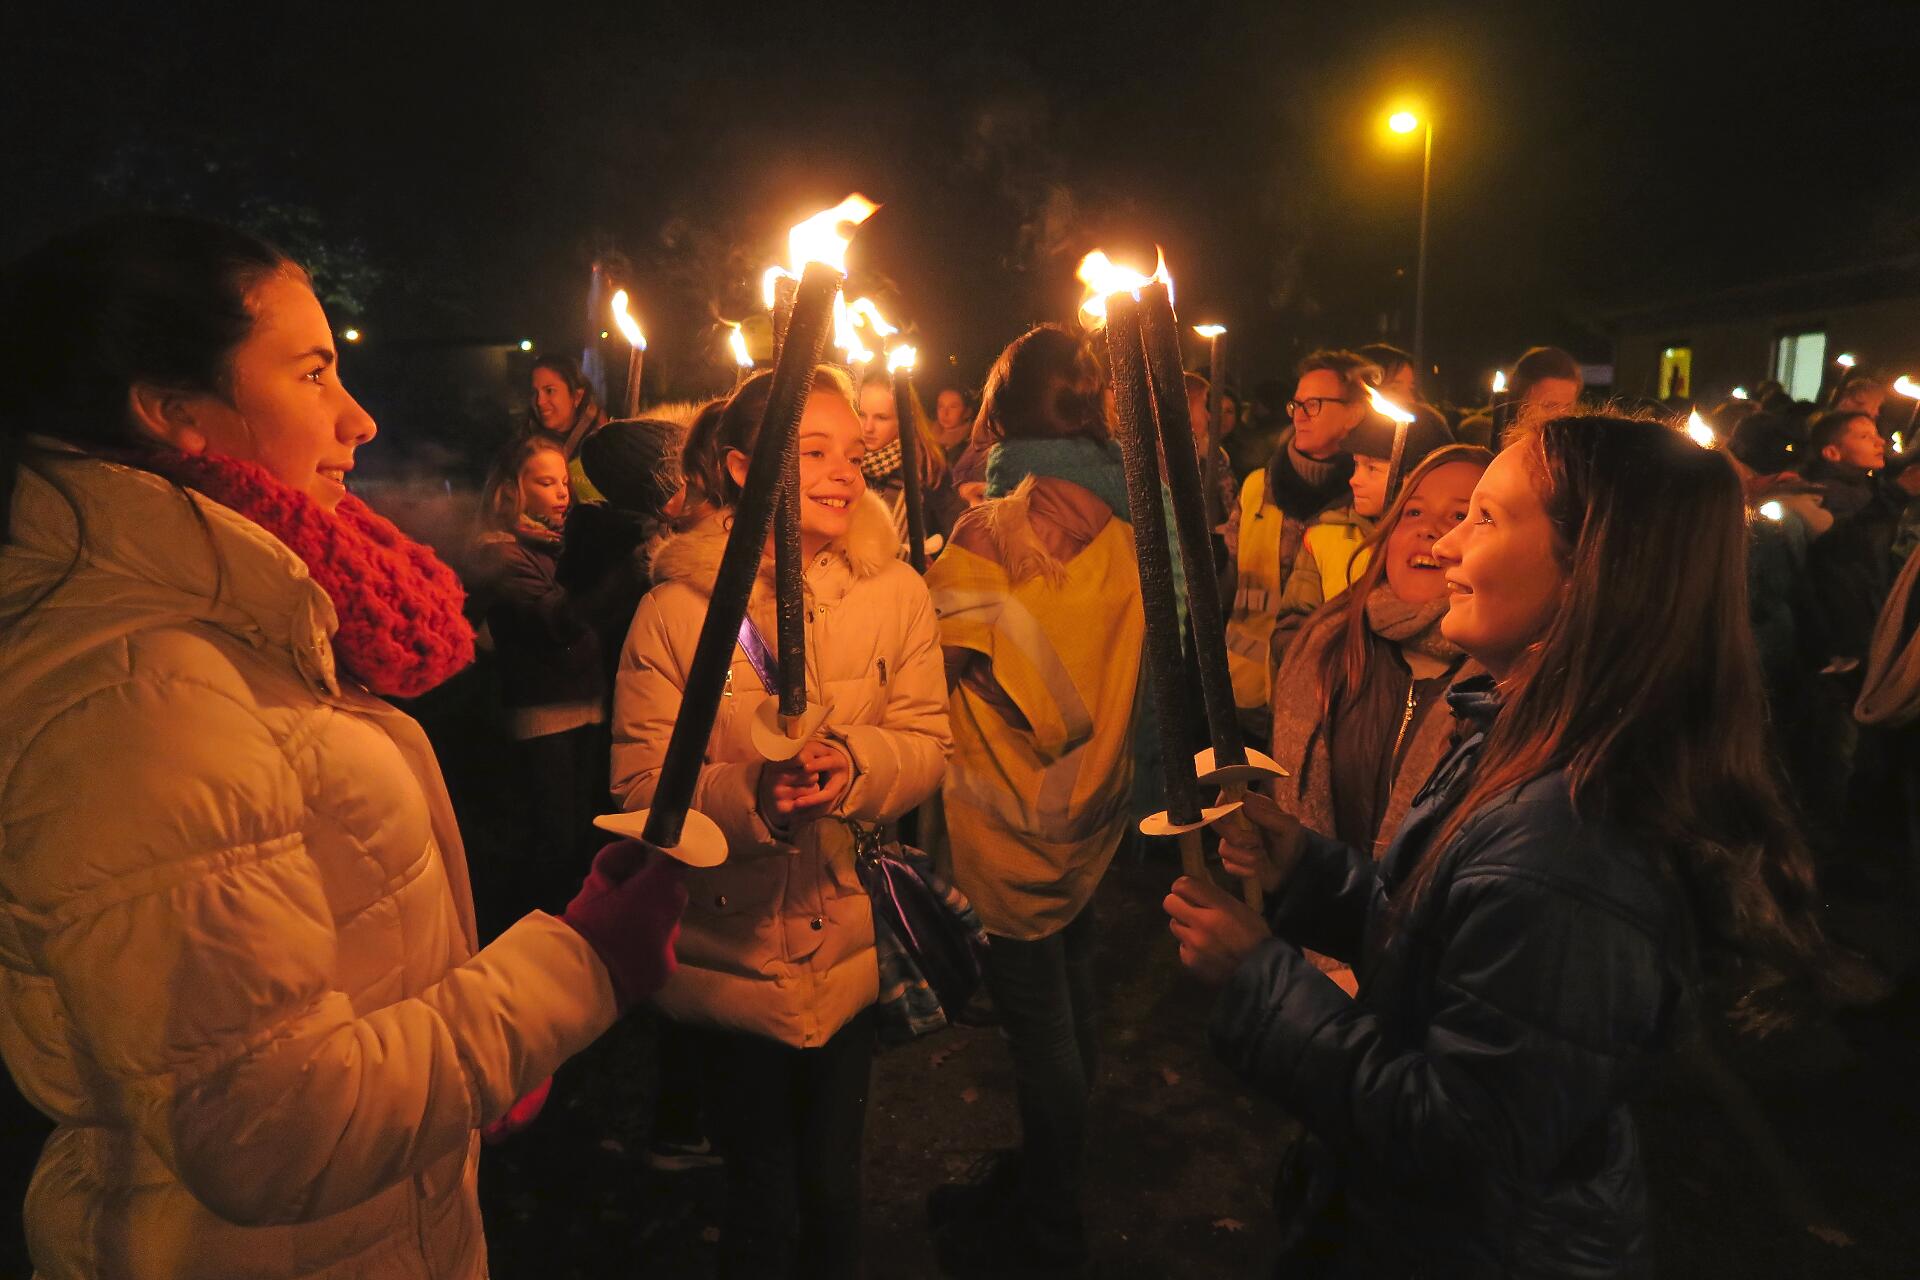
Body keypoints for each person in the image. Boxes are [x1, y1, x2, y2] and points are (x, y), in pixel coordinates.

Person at [0, 214, 685, 1280]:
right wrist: (579, 964)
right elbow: (270, 1128)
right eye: (314, 373)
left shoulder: (243, 624)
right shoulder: (140, 700)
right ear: (172, 411)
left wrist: (470, 1068)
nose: (358, 418)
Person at [1164, 413, 1835, 1276]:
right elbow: (1445, 940)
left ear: (1593, 566)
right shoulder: (1525, 734)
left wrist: (1260, 981)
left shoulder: (1575, 844)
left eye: (1482, 518)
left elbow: (1464, 1137)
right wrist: (1307, 870)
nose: (1442, 549)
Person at [611, 366, 950, 1278]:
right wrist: (750, 798)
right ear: (739, 467)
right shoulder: (677, 614)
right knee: (761, 1195)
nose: (844, 473)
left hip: (845, 944)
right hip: (729, 953)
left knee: (836, 1190)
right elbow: (642, 789)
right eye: (811, 453)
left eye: (852, 453)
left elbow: (926, 740)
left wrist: (860, 766)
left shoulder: (897, 595)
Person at [922, 324, 1142, 1273]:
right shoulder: (1135, 528)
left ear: (998, 413)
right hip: (1092, 809)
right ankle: (1057, 1174)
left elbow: (944, 661)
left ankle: (1050, 1221)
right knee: (1076, 997)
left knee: (1040, 1028)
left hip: (1005, 818)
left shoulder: (993, 529)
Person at [1266, 446, 1490, 993]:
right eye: (1412, 512)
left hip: (1436, 979)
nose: (1430, 531)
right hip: (1320, 962)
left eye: (1459, 516)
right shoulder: (1331, 650)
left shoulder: (1503, 686)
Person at [466, 436, 611, 933]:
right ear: (513, 489)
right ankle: (538, 935)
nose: (562, 493)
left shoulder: (553, 547)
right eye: (546, 482)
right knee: (552, 841)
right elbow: (559, 620)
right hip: (543, 714)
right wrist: (613, 575)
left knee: (578, 835)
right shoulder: (503, 556)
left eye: (564, 482)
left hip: (584, 704)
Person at [1223, 350, 1372, 739]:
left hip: (1326, 699)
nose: (1299, 414)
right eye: (1297, 403)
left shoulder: (1366, 497)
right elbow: (1231, 579)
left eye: (1315, 404)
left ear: (1354, 413)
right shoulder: (1259, 484)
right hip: (1247, 692)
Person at [1275, 402, 1454, 632]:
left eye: (1372, 469)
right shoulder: (1326, 536)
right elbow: (1293, 625)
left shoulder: (1447, 543)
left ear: (1416, 477)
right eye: (1356, 465)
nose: (1354, 480)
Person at [856, 366, 967, 552]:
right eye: (861, 414)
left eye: (881, 418)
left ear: (904, 419)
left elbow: (954, 531)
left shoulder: (926, 467)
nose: (868, 427)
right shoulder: (846, 463)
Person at [1457, 345, 1583, 448]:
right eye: (1549, 406)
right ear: (1520, 399)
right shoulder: (1486, 436)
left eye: (1567, 408)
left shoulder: (1571, 447)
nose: (1560, 417)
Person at [525, 353, 610, 500]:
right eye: (535, 392)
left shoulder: (605, 449)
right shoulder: (525, 448)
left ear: (577, 396)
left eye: (549, 391)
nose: (539, 401)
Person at [933, 383, 975, 457]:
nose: (945, 413)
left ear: (967, 412)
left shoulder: (973, 443)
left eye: (953, 407)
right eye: (941, 406)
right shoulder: (928, 438)